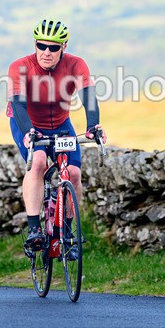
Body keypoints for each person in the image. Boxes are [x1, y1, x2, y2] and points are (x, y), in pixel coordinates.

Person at [7, 19, 107, 259]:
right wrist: (29, 132)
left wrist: (93, 126)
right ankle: (34, 229)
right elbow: (18, 105)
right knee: (38, 162)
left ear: (64, 47)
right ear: (35, 44)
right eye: (41, 46)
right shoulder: (20, 67)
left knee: (73, 173)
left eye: (53, 47)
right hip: (27, 123)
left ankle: (68, 234)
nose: (46, 52)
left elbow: (88, 97)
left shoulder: (76, 64)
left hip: (61, 124)